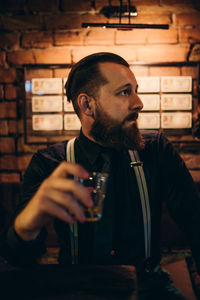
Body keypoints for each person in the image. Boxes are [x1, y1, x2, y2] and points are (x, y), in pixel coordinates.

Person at [1, 52, 200, 299]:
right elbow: (18, 258)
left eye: (136, 90)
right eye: (125, 92)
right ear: (87, 105)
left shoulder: (156, 150)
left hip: (149, 287)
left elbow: (195, 220)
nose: (139, 103)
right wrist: (28, 222)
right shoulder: (49, 163)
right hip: (78, 290)